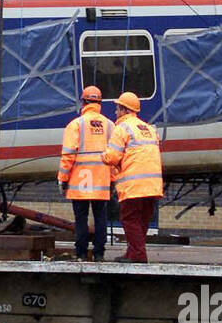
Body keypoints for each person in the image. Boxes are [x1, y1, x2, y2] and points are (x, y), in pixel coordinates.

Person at [102, 91, 163, 263]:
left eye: (117, 109)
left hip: (134, 185)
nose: (115, 112)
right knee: (141, 222)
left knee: (129, 220)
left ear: (124, 109)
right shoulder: (149, 129)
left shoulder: (122, 129)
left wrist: (102, 156)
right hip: (152, 185)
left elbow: (112, 157)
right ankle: (133, 252)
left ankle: (138, 255)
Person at [59, 85, 114, 261]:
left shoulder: (75, 125)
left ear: (83, 102)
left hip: (80, 180)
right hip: (101, 179)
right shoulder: (109, 125)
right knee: (100, 218)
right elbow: (115, 155)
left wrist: (63, 179)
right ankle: (99, 254)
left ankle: (81, 253)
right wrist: (112, 179)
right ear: (99, 103)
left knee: (81, 219)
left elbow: (68, 155)